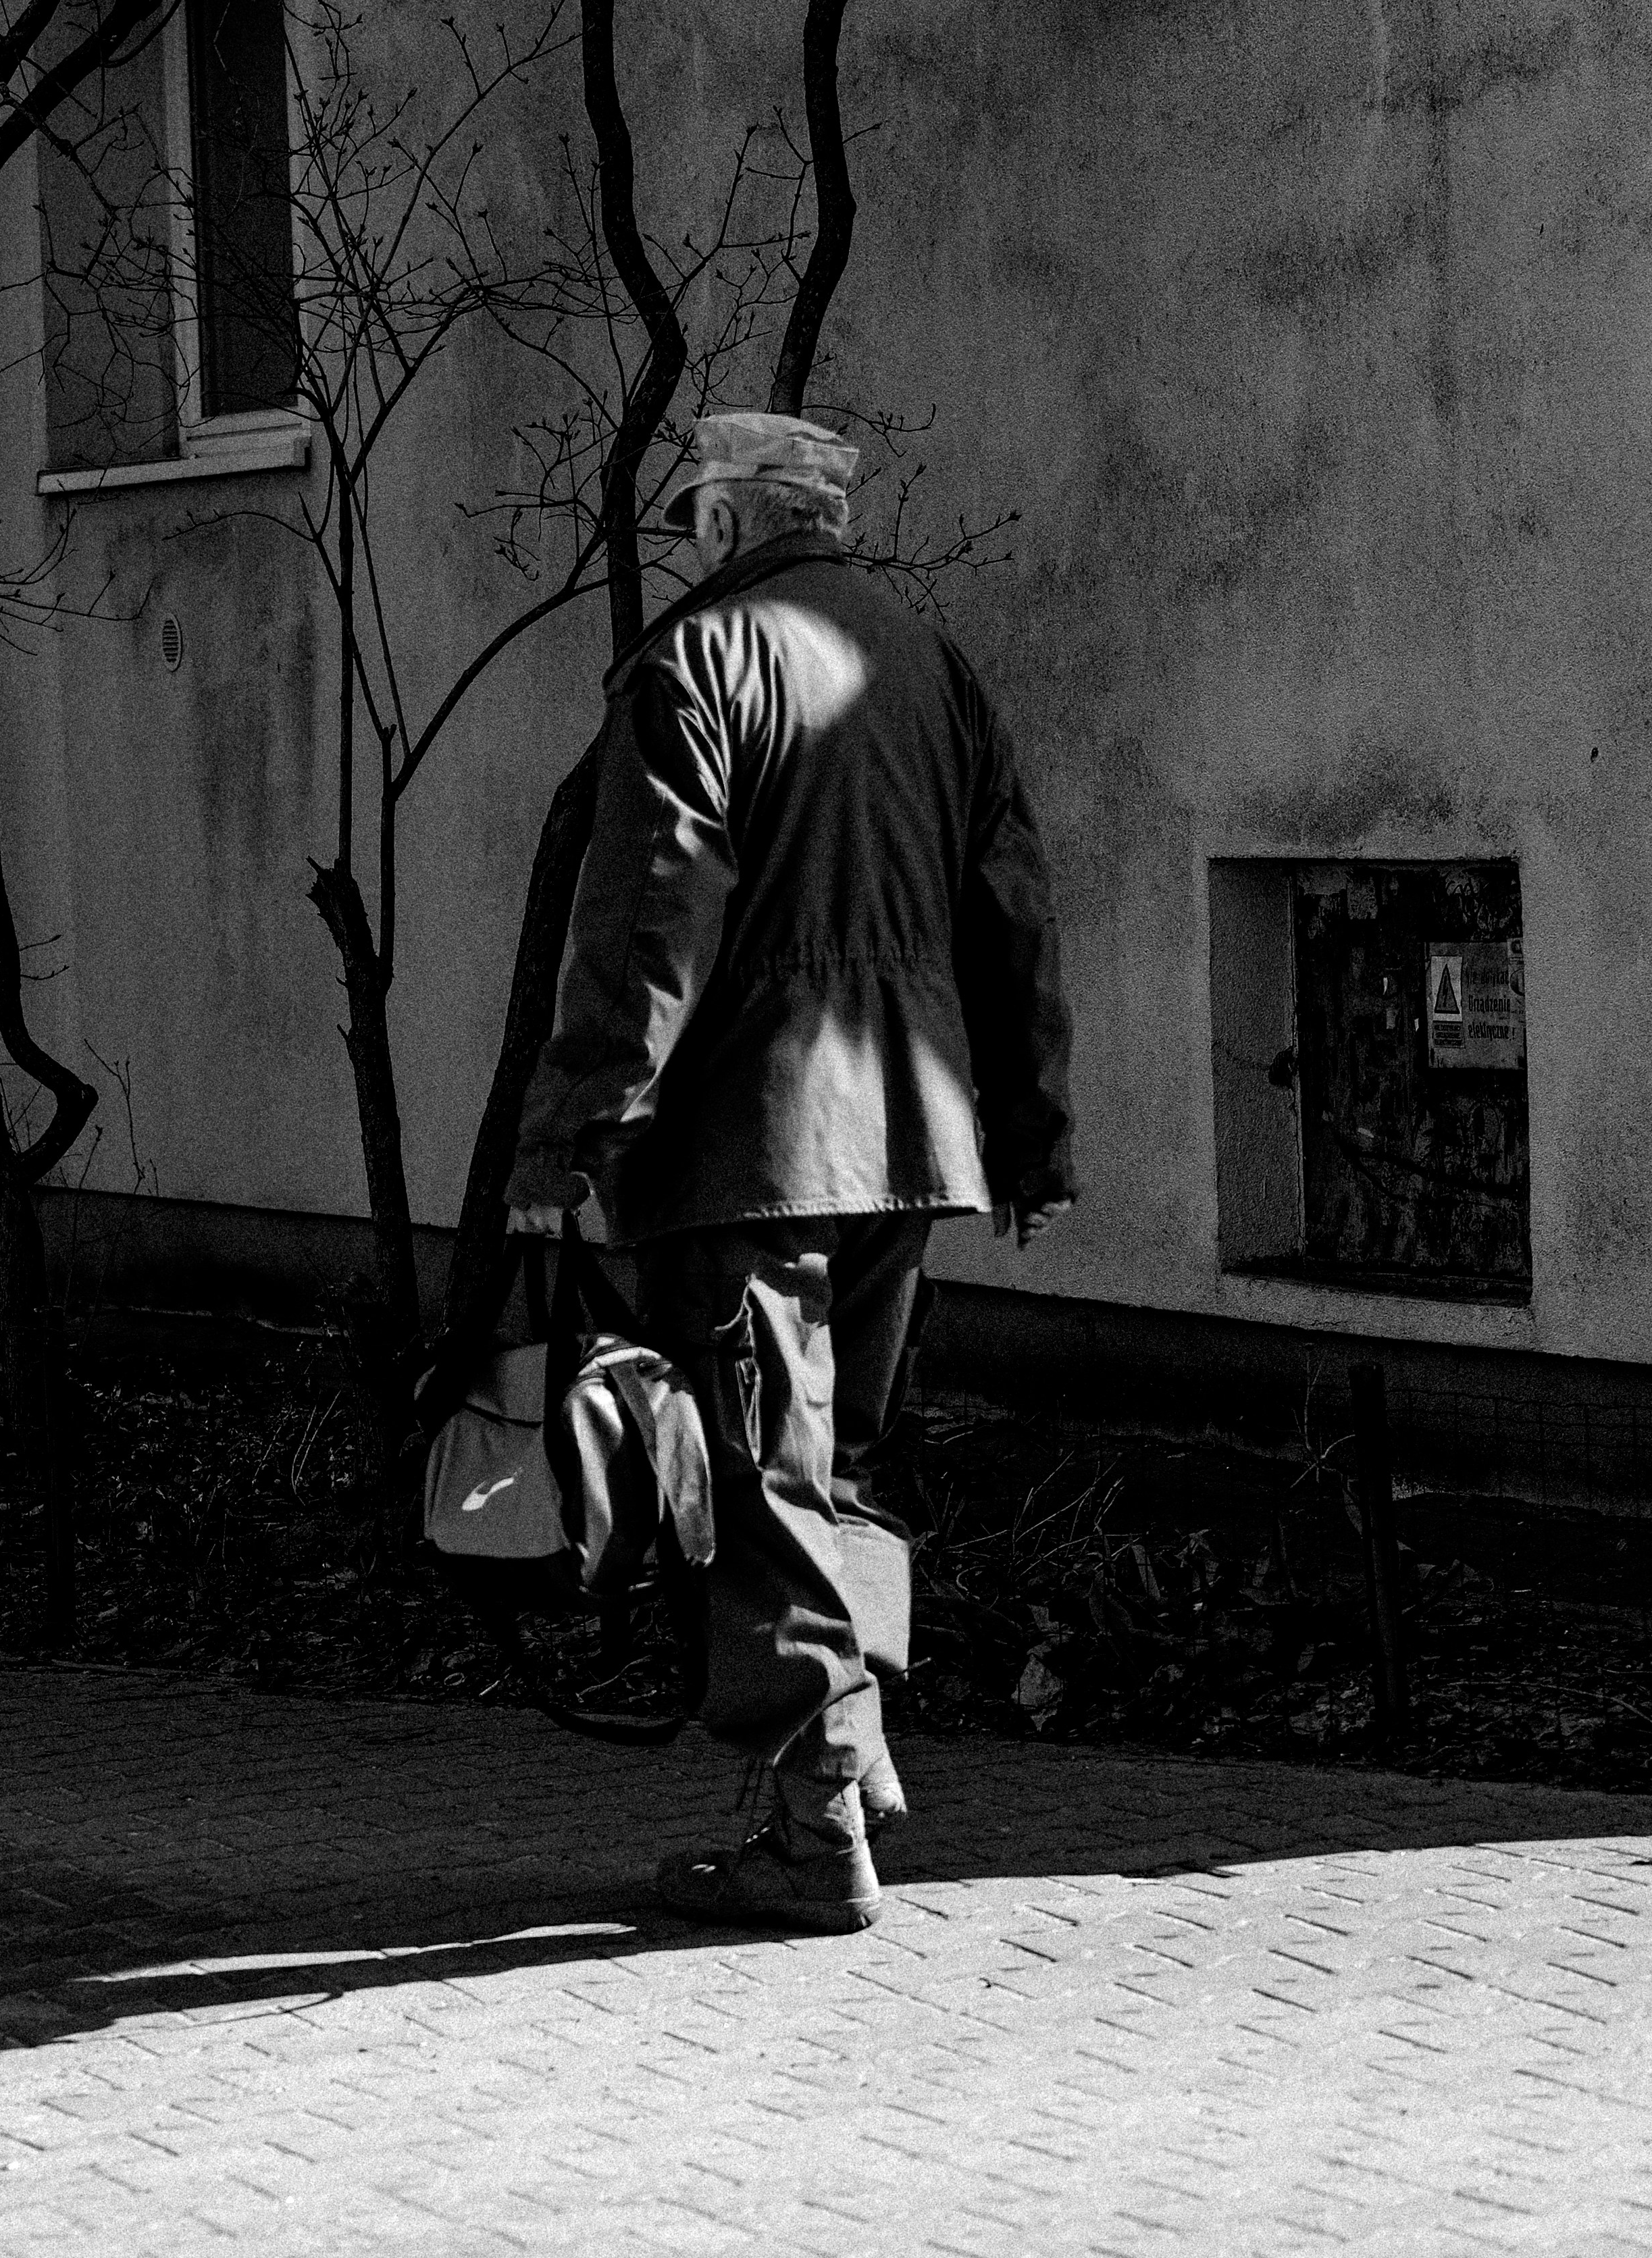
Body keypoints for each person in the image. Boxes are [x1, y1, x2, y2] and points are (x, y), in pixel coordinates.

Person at [505, 409, 1075, 1933]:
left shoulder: (695, 665)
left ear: (728, 520)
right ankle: (850, 1749)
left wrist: (575, 1127)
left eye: (698, 517)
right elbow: (1009, 905)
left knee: (759, 1476)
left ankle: (817, 1819)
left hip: (748, 1140)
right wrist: (1026, 1130)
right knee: (838, 1466)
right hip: (912, 1130)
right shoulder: (931, 666)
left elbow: (647, 912)